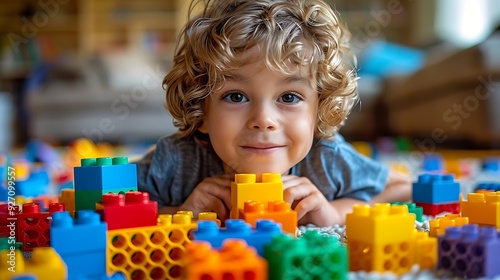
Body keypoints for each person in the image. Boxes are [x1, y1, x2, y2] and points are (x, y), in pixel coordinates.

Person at [136, 0, 411, 226]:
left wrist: (334, 213)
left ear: (319, 110)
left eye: (289, 97)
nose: (263, 120)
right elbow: (100, 203)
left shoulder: (325, 158)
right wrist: (179, 212)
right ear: (202, 110)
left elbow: (402, 188)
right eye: (236, 96)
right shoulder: (176, 160)